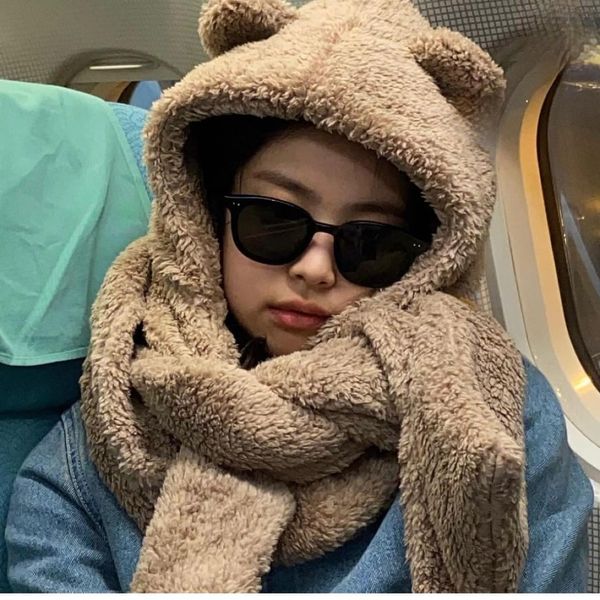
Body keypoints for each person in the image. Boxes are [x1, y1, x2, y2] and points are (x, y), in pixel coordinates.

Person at [5, 0, 593, 593]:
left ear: (425, 261)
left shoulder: (491, 411)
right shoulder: (96, 448)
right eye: (273, 221)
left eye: (370, 243)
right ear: (206, 219)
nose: (314, 269)